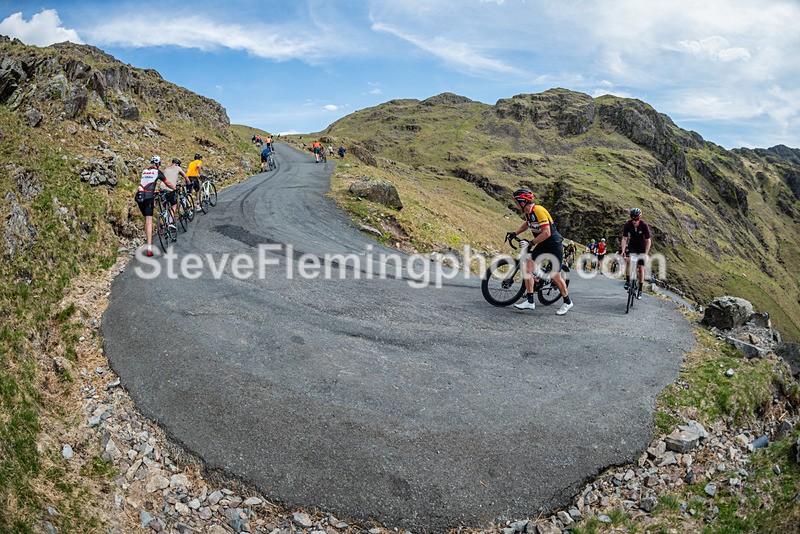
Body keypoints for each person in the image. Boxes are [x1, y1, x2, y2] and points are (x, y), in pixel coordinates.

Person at [507, 188, 573, 315]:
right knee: (527, 267)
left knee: (555, 276)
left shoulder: (539, 210)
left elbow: (547, 233)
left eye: (516, 202)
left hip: (554, 245)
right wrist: (515, 233)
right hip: (543, 244)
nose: (515, 204)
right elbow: (527, 224)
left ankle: (567, 301)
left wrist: (530, 242)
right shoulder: (528, 212)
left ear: (522, 202)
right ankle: (530, 301)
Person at [135, 156, 175, 256]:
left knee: (146, 220)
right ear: (158, 164)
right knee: (149, 221)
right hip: (149, 197)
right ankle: (149, 248)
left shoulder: (144, 171)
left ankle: (148, 242)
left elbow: (146, 183)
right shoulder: (157, 172)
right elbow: (167, 183)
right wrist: (174, 189)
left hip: (140, 197)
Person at [620, 208, 651, 299]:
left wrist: (646, 254)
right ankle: (627, 280)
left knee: (641, 268)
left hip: (642, 247)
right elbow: (624, 238)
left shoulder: (644, 225)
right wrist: (623, 250)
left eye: (636, 219)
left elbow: (648, 241)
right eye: (632, 219)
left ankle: (640, 289)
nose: (634, 221)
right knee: (628, 260)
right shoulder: (627, 224)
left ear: (639, 218)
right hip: (632, 245)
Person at [161, 158, 187, 222]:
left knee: (165, 204)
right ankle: (170, 221)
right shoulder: (178, 168)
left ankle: (164, 221)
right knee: (174, 205)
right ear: (177, 164)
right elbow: (185, 176)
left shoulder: (166, 169)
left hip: (162, 188)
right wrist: (189, 183)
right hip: (170, 188)